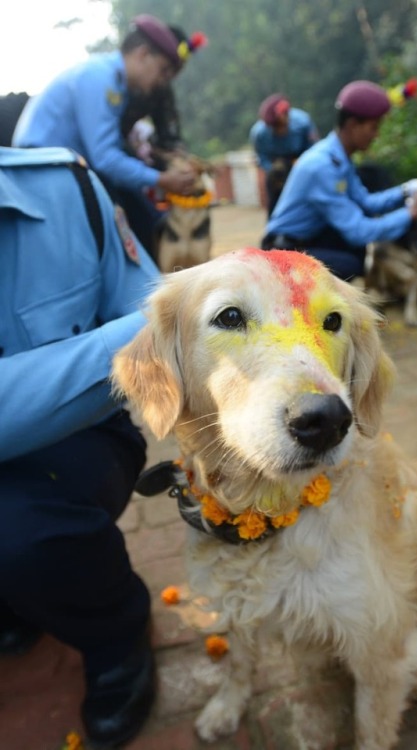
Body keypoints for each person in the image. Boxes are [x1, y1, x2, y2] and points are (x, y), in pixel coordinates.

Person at [0, 146, 163, 748]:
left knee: (21, 533)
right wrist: (166, 327)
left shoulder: (66, 184)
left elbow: (146, 299)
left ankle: (116, 634)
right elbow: (160, 321)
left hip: (85, 438)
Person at [12, 14, 206, 259]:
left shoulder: (114, 81)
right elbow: (105, 157)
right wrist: (161, 179)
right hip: (45, 170)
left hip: (68, 168)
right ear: (143, 55)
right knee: (128, 225)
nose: (161, 81)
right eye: (162, 70)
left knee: (142, 214)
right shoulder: (101, 79)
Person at [261, 80, 417, 280]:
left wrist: (408, 189)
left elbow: (367, 202)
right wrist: (412, 212)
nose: (376, 135)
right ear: (353, 125)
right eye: (373, 127)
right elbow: (358, 231)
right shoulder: (322, 166)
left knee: (356, 252)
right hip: (283, 251)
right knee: (350, 263)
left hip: (308, 238)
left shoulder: (338, 157)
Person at [250, 93, 319, 216]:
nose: (279, 131)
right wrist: (271, 169)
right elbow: (261, 157)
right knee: (275, 205)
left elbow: (314, 149)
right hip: (276, 169)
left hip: (300, 162)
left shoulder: (303, 123)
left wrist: (301, 164)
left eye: (281, 126)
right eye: (275, 127)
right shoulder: (259, 134)